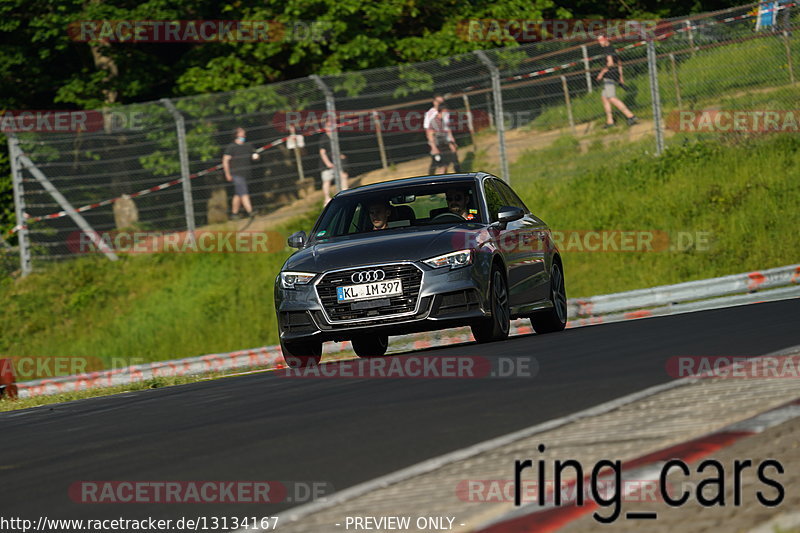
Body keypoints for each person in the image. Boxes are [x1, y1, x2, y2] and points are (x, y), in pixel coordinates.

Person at [596, 34, 639, 129]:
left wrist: (601, 73)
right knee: (604, 97)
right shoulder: (612, 48)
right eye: (598, 40)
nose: (600, 42)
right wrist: (621, 76)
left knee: (611, 98)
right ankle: (610, 121)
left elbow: (610, 63)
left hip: (609, 76)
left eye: (601, 40)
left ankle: (631, 116)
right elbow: (619, 63)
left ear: (606, 39)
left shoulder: (607, 49)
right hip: (614, 75)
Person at [222, 127, 260, 218]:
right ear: (236, 134)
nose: (244, 133)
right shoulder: (231, 147)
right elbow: (225, 160)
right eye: (241, 132)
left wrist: (256, 156)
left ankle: (234, 214)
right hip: (236, 174)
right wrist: (227, 174)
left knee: (238, 194)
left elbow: (255, 155)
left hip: (246, 173)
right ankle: (250, 211)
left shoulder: (248, 145)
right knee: (244, 193)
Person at [318, 121, 349, 206]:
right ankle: (327, 199)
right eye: (329, 126)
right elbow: (322, 153)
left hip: (336, 163)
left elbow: (334, 151)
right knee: (327, 181)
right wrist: (328, 163)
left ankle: (345, 192)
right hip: (327, 165)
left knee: (344, 175)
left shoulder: (334, 138)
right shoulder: (324, 138)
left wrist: (340, 156)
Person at [427, 106, 459, 174]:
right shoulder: (433, 122)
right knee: (440, 166)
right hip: (438, 146)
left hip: (445, 144)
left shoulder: (444, 121)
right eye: (445, 113)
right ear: (440, 112)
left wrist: (452, 143)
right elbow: (430, 136)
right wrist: (434, 148)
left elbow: (448, 133)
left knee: (446, 165)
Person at [424, 95, 445, 173]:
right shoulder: (430, 113)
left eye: (441, 102)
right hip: (435, 141)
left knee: (441, 162)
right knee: (438, 162)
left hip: (443, 140)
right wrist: (432, 145)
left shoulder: (444, 112)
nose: (440, 103)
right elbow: (428, 130)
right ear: (434, 102)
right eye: (438, 101)